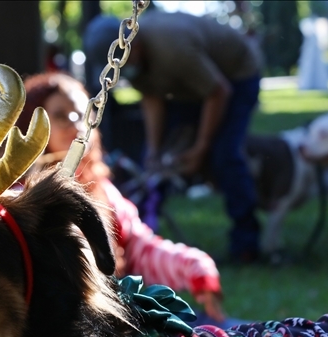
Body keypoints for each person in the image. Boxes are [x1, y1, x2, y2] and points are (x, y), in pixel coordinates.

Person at [18, 72, 226, 323]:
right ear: (32, 131)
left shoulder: (101, 189)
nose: (77, 125)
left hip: (117, 321)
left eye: (84, 115)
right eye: (61, 116)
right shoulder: (21, 202)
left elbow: (140, 249)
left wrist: (195, 268)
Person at [84, 11, 265, 263]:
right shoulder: (134, 62)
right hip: (191, 87)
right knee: (158, 161)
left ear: (132, 44)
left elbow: (218, 91)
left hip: (235, 78)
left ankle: (246, 244)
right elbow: (152, 99)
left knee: (225, 154)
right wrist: (155, 151)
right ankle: (144, 239)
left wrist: (201, 147)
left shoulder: (174, 50)